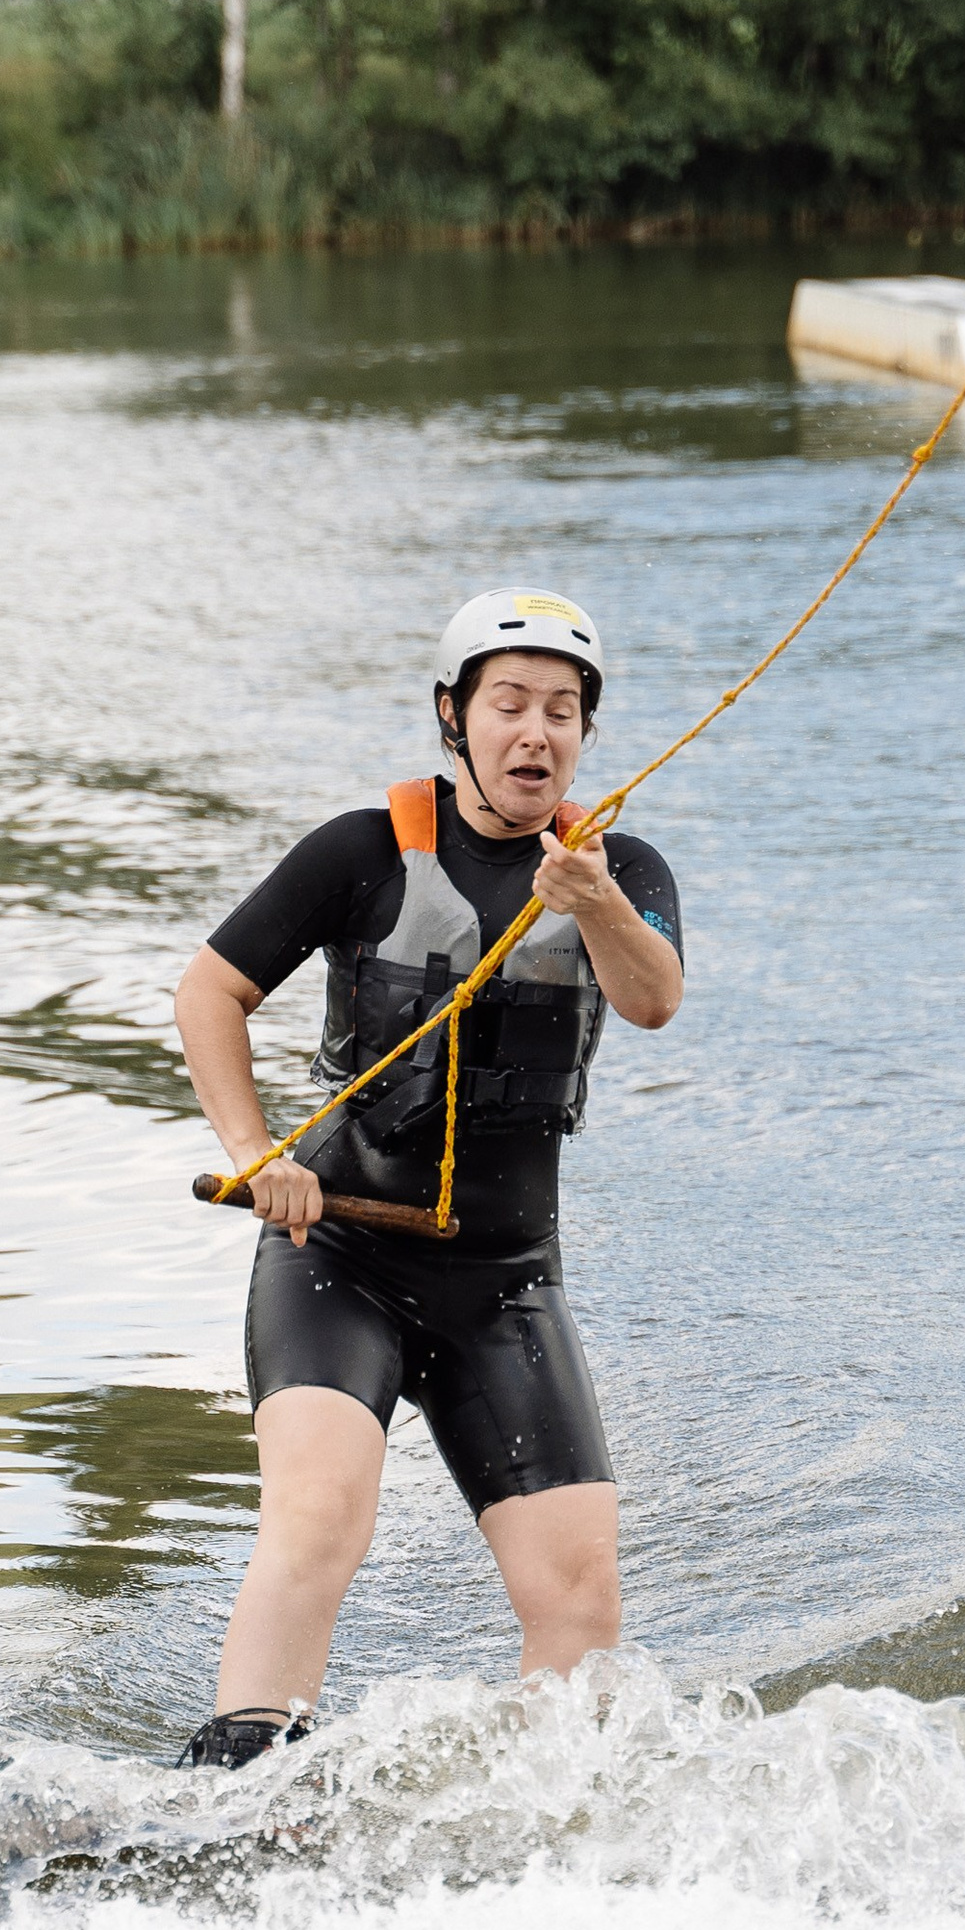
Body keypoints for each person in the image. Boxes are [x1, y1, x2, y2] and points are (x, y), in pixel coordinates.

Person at [172, 588, 683, 1765]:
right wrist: (257, 1152)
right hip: (336, 1257)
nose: (535, 732)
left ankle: (545, 1799)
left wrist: (597, 898)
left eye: (561, 710)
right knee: (319, 1517)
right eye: (508, 703)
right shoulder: (360, 852)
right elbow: (210, 991)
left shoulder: (618, 867)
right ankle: (233, 1789)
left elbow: (654, 998)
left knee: (580, 1592)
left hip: (504, 1282)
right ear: (453, 716)